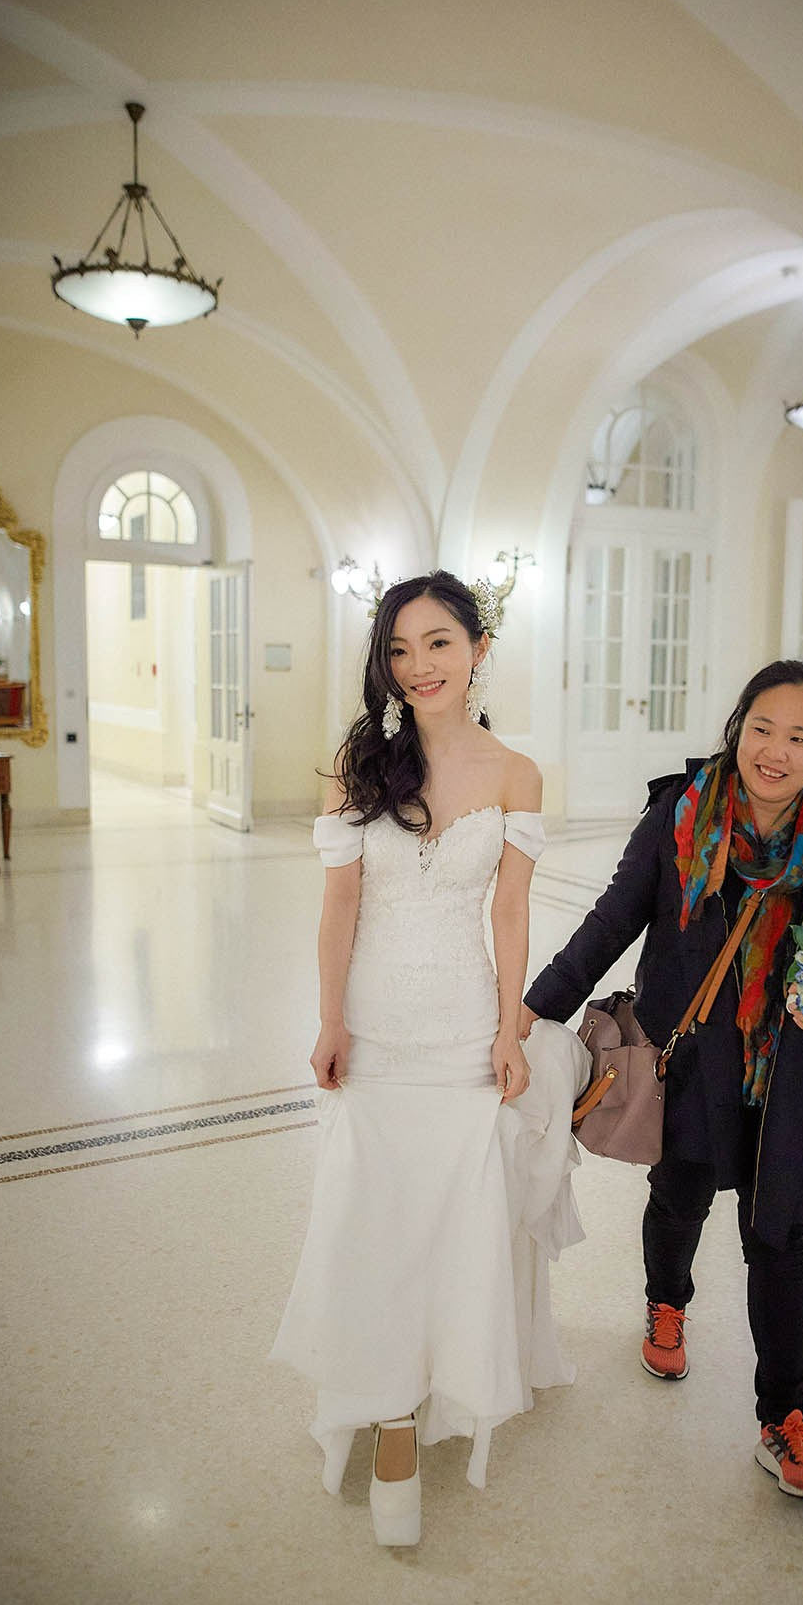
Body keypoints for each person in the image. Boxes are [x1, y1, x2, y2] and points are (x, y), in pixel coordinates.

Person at [520, 659, 803, 1500]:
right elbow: (614, 918)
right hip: (689, 1059)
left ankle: (784, 1420)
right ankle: (667, 1301)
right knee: (681, 1194)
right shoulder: (680, 814)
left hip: (788, 1074)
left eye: (800, 737)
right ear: (738, 726)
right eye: (762, 728)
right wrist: (537, 1009)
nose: (775, 751)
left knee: (781, 1238)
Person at [272, 571, 588, 1546]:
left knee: (450, 1211)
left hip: (459, 1026)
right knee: (372, 1207)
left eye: (439, 643)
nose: (420, 667)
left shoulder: (515, 773)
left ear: (477, 647)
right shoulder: (355, 769)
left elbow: (507, 911)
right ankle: (388, 1413)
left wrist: (509, 1028)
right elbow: (339, 907)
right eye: (401, 649)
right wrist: (331, 1022)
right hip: (373, 1027)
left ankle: (435, 1389)